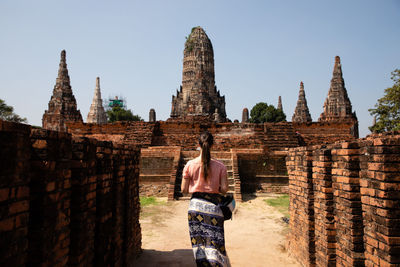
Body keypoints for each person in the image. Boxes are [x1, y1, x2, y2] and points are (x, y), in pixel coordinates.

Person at [181, 131, 230, 267]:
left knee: (199, 246)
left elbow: (184, 189)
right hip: (213, 208)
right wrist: (212, 187)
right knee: (215, 244)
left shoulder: (190, 165)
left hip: (195, 209)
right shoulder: (221, 166)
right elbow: (224, 189)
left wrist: (196, 184)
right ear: (212, 145)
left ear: (198, 145)